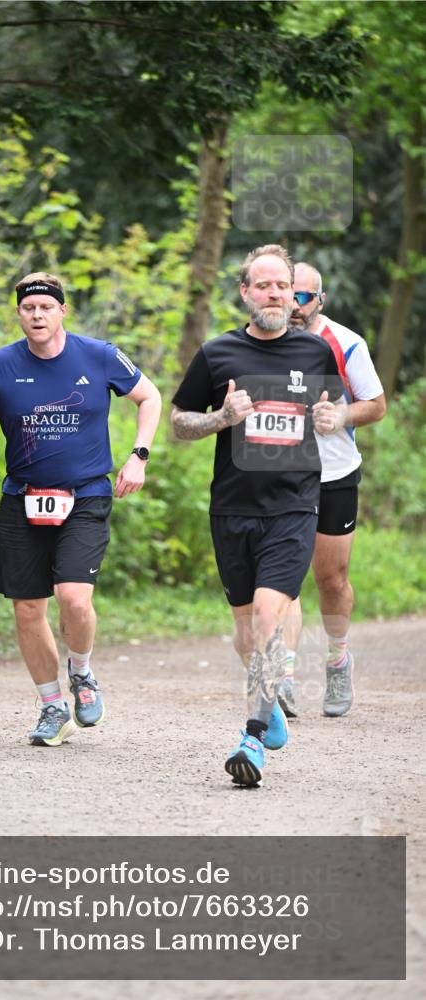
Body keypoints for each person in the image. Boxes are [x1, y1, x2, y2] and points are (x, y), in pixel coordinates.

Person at [0, 272, 161, 747]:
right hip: (22, 497)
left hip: (86, 494)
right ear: (19, 315)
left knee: (73, 599)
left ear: (62, 311)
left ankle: (83, 673)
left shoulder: (100, 355)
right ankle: (52, 707)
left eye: (45, 308)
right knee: (28, 609)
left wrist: (140, 455)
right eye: (28, 309)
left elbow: (149, 397)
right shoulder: (0, 364)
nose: (37, 316)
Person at [171, 245, 345, 787]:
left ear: (294, 293)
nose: (274, 294)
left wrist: (329, 416)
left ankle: (250, 737)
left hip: (293, 505)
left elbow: (334, 409)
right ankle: (268, 708)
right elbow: (179, 423)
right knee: (246, 629)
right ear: (245, 292)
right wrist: (222, 417)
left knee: (270, 617)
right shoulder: (217, 353)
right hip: (232, 507)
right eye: (263, 285)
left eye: (282, 286)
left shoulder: (315, 352)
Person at [280, 262, 386, 719]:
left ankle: (338, 657)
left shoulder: (346, 343)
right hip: (279, 476)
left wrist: (341, 417)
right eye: (290, 295)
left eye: (306, 297)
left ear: (320, 300)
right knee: (282, 578)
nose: (296, 306)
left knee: (330, 579)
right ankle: (282, 676)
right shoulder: (260, 344)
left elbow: (376, 405)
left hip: (335, 474)